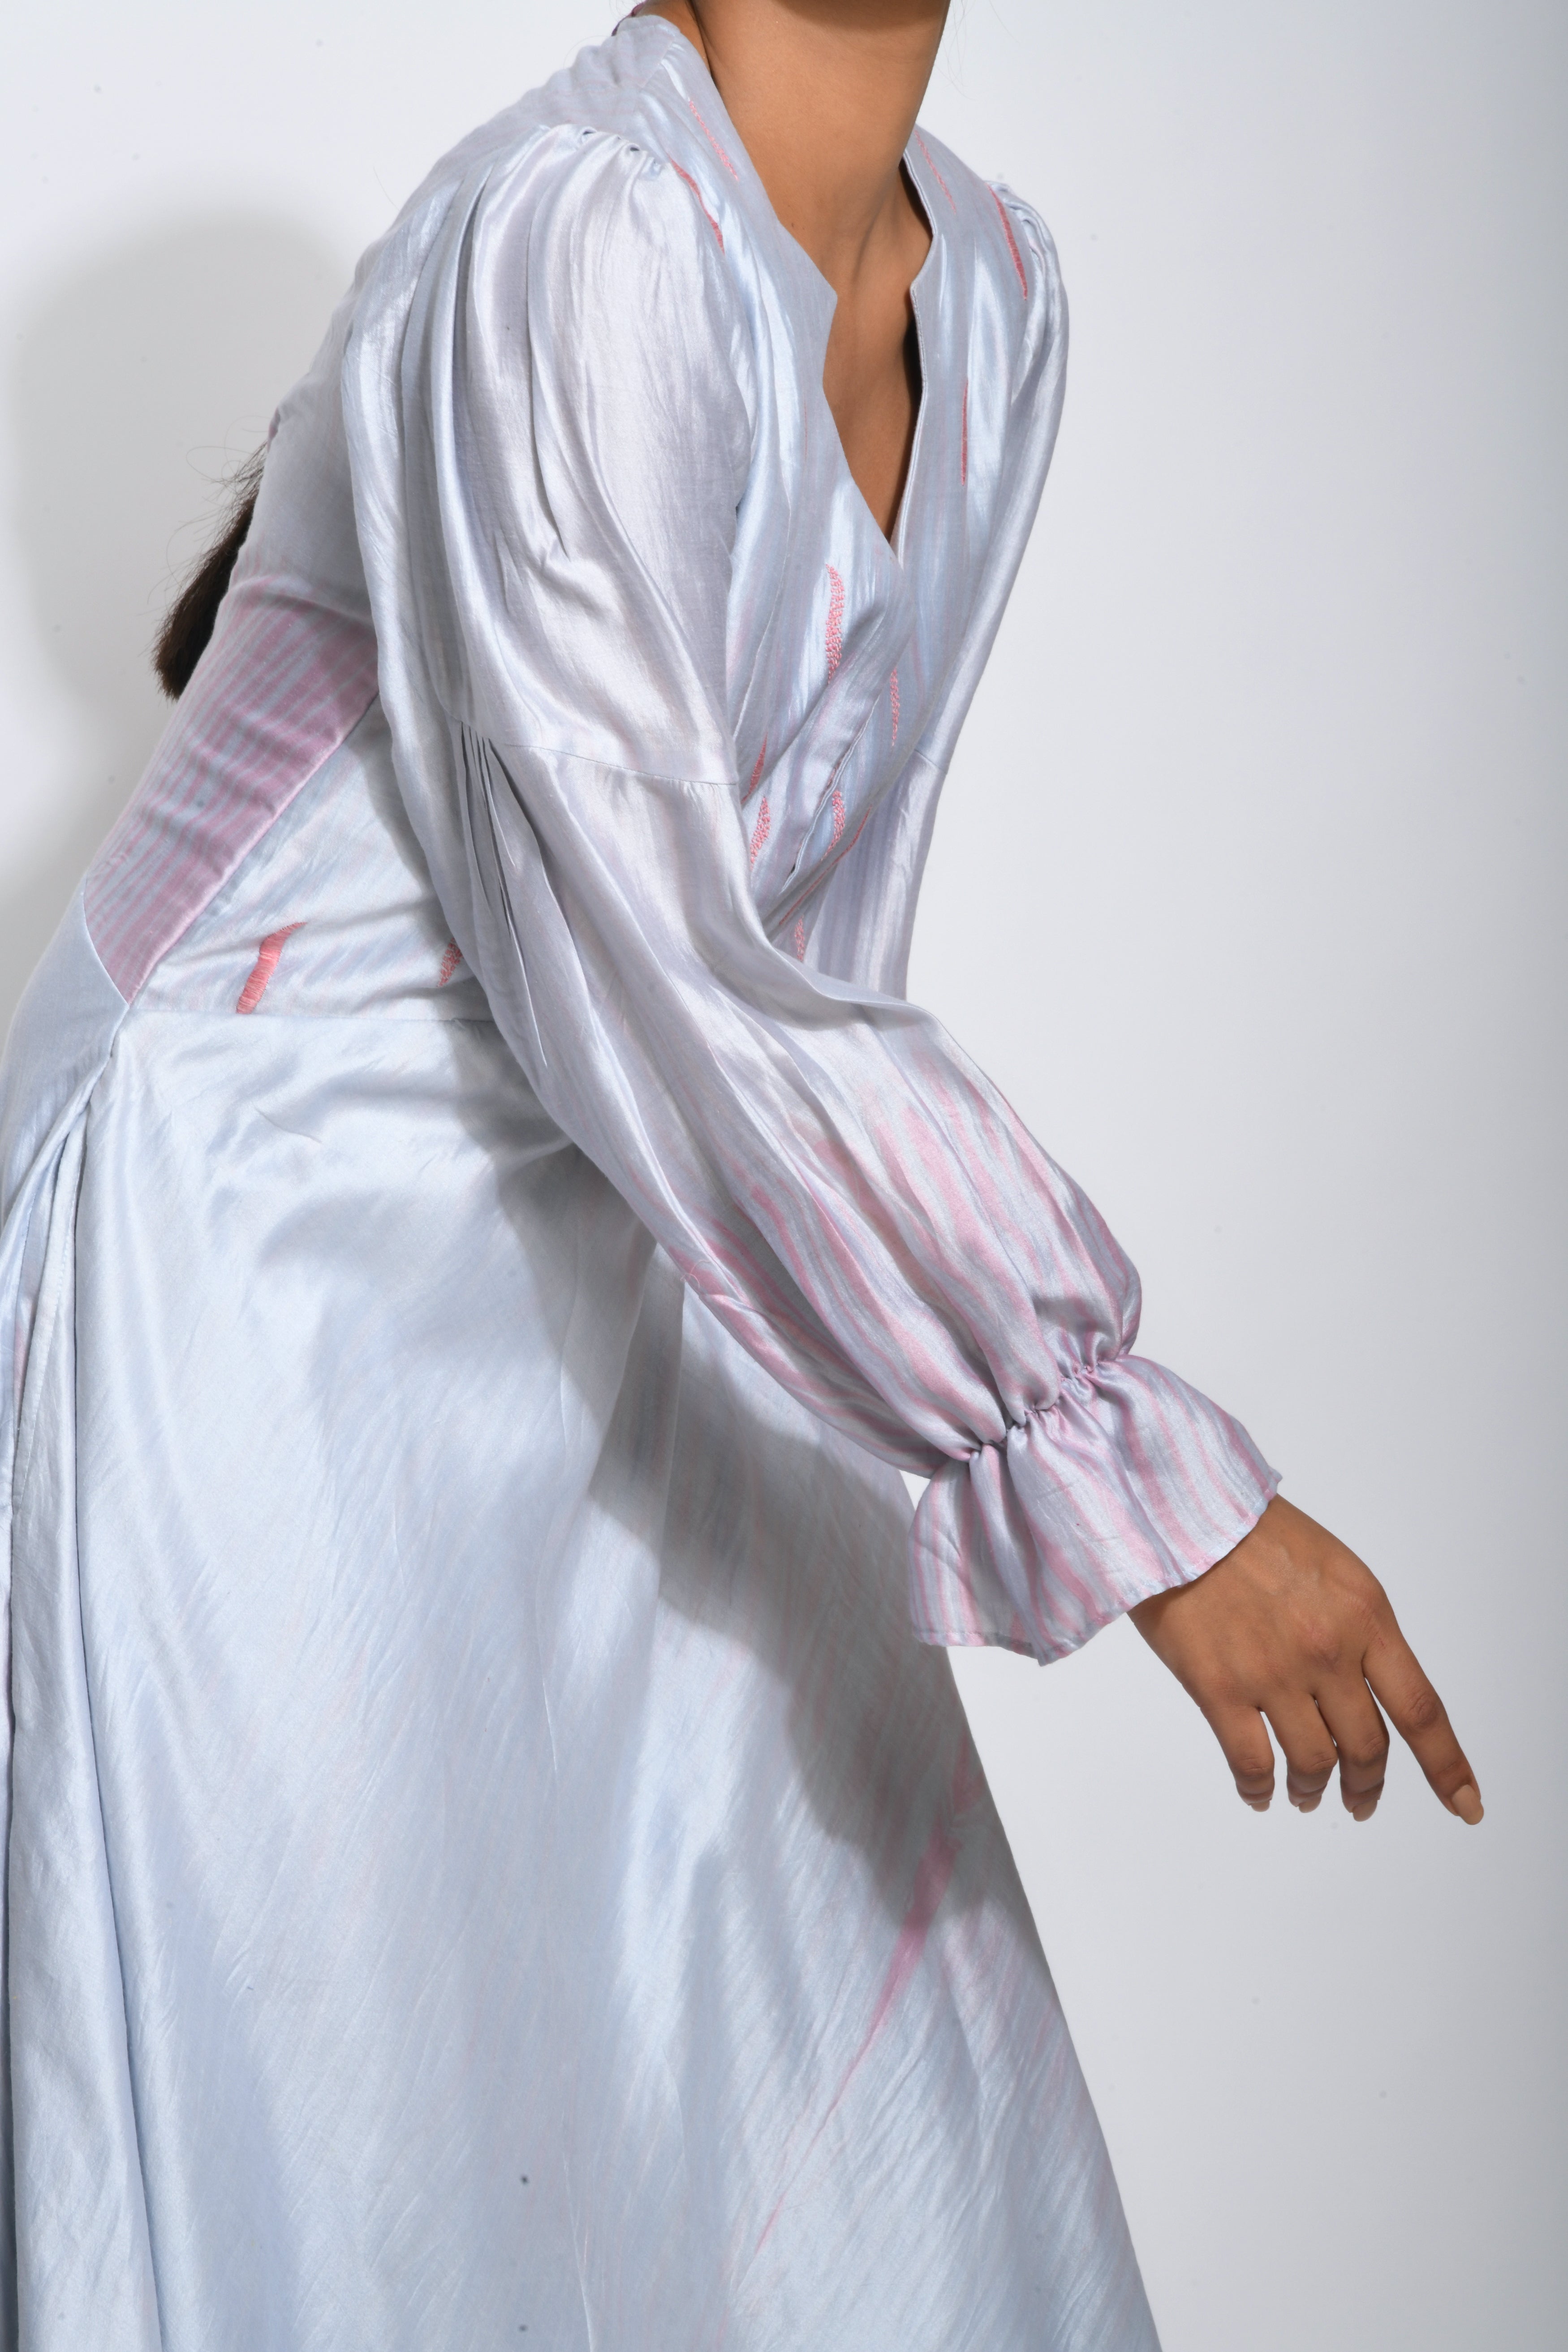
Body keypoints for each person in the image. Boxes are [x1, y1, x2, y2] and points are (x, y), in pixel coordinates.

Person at [0, 3, 1481, 2343]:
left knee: (860, 2126)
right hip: (254, 1283)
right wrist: (1115, 1462)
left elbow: (812, 943)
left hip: (631, 1239)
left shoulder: (999, 293)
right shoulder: (578, 231)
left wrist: (892, 1373)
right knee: (358, 2178)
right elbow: (674, 971)